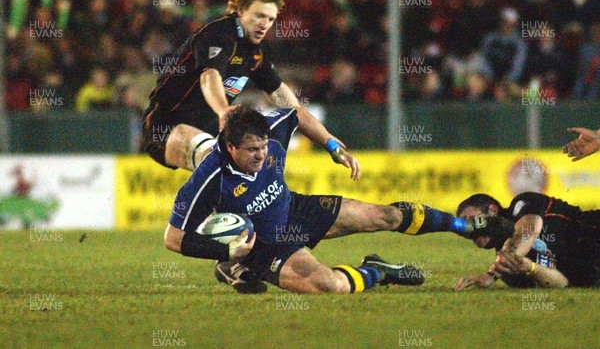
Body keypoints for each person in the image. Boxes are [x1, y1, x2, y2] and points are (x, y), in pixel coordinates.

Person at [163, 106, 505, 294]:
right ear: (230, 146)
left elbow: (298, 115)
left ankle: (462, 225)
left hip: (294, 208)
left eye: (264, 147)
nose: (261, 154)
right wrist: (226, 252)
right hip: (266, 246)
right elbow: (173, 239)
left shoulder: (270, 128)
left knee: (383, 215)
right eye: (252, 150)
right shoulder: (208, 179)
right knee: (329, 286)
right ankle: (378, 272)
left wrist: (331, 146)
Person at [142, 0, 349, 173]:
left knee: (249, 173)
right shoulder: (220, 33)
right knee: (220, 164)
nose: (264, 24)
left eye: (270, 18)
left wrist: (329, 142)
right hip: (165, 128)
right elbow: (209, 76)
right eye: (259, 15)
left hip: (205, 133)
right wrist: (223, 110)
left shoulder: (254, 54)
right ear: (240, 10)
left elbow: (293, 109)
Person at [453, 192, 600, 290]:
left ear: (492, 210)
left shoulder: (522, 203)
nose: (470, 229)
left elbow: (528, 230)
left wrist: (490, 275)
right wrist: (531, 268)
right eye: (465, 227)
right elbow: (563, 284)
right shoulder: (509, 274)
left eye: (472, 220)